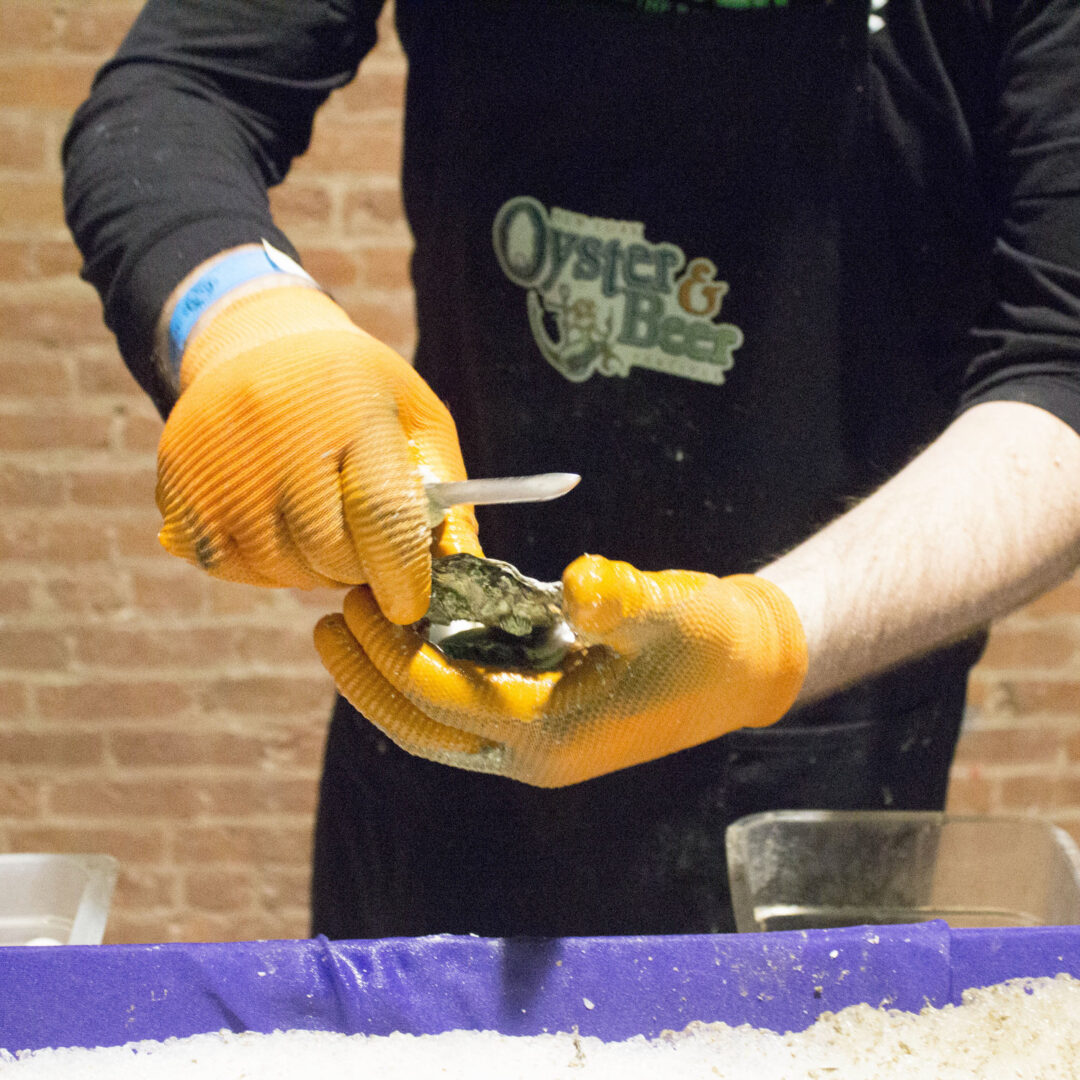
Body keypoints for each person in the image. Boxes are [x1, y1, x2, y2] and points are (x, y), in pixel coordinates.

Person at [63, 0, 1080, 939]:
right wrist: (247, 321)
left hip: (815, 743)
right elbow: (178, 94)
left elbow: (1062, 367)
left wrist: (767, 639)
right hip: (443, 715)